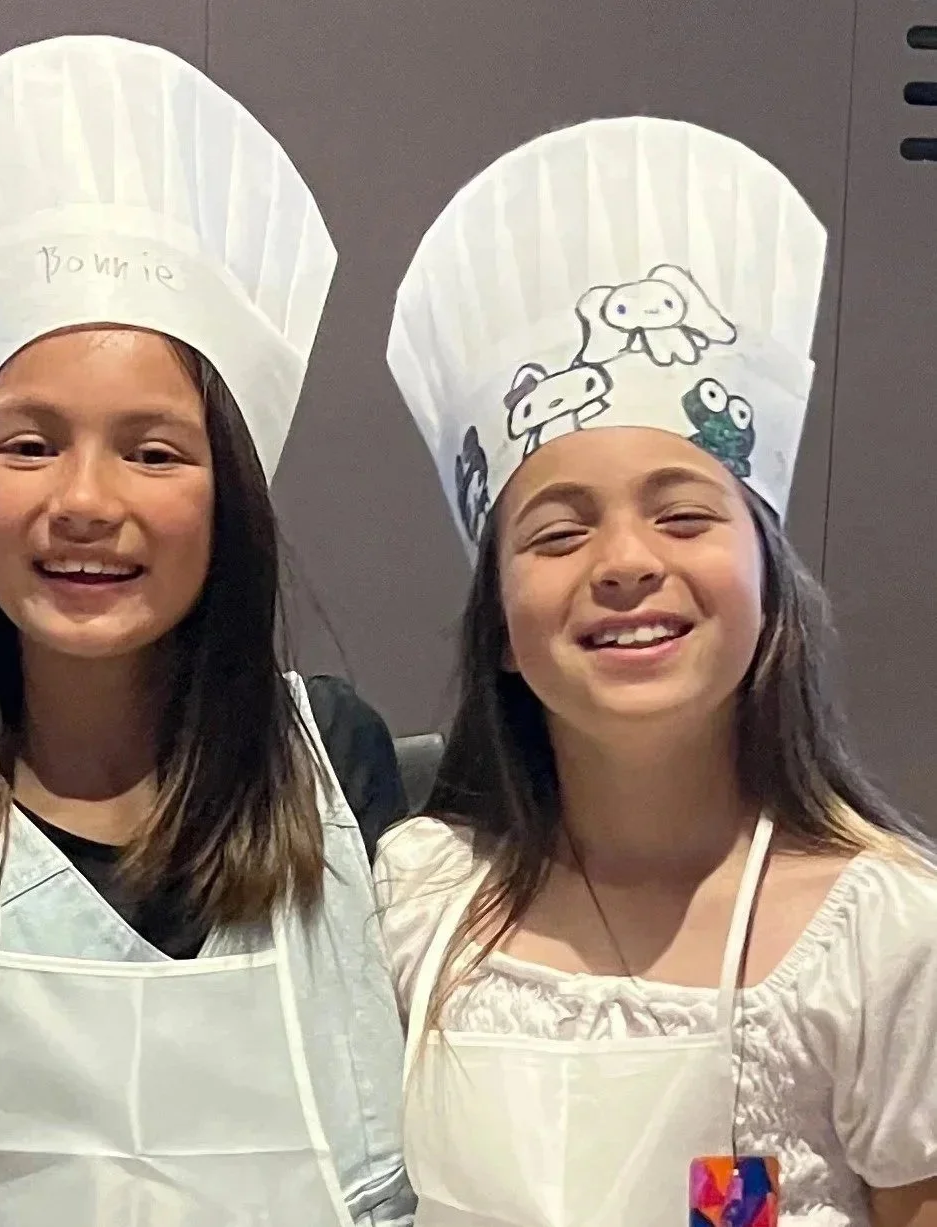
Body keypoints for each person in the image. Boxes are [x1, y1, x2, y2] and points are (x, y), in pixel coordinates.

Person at [0, 35, 413, 1227]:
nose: (84, 500)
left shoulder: (339, 771)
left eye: (153, 451)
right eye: (28, 444)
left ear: (229, 507)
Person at [375, 115, 937, 1227]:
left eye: (682, 516)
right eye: (557, 532)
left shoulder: (885, 936)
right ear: (498, 626)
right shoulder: (415, 896)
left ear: (767, 583)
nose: (626, 563)